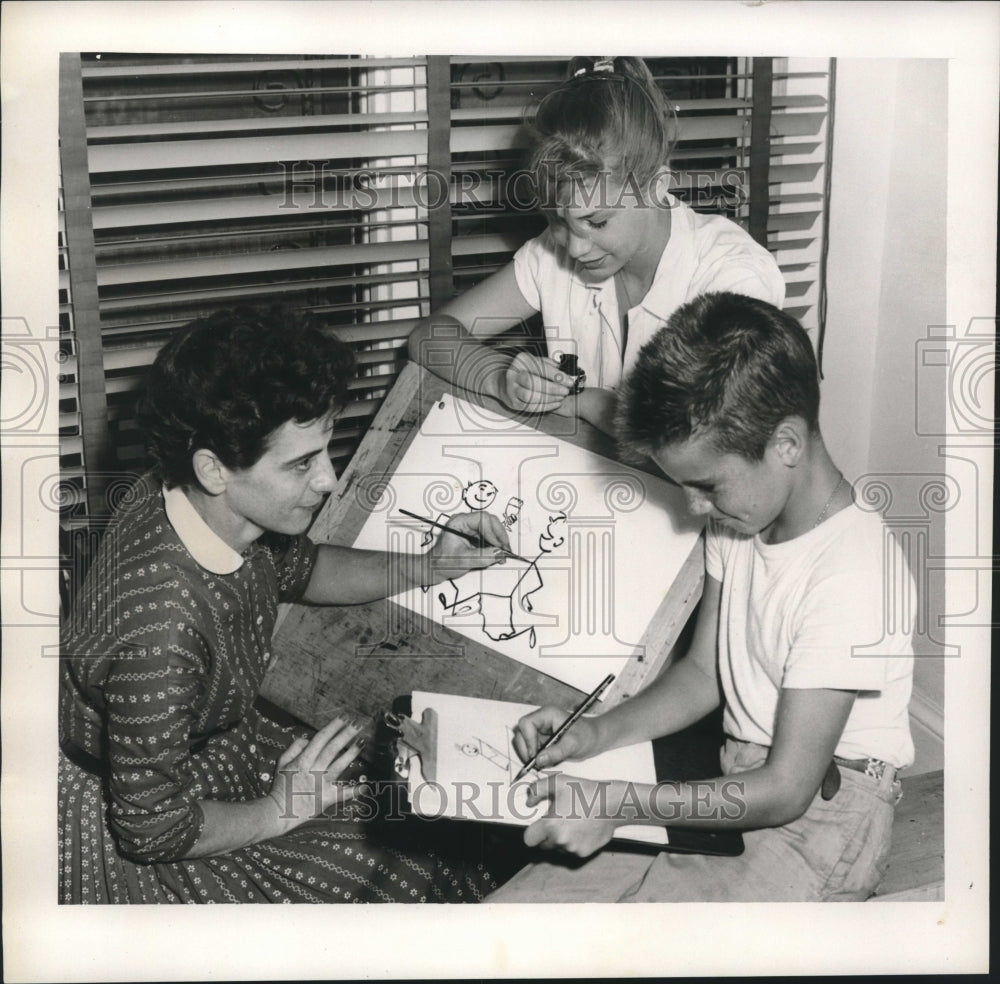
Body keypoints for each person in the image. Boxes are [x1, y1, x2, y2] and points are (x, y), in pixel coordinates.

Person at [58, 305, 513, 904]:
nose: (327, 479)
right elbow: (153, 828)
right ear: (214, 470)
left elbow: (304, 567)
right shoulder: (160, 635)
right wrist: (281, 807)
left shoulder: (194, 498)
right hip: (153, 813)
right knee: (399, 854)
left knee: (415, 802)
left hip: (205, 742)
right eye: (301, 463)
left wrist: (429, 564)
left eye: (323, 450)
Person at [487, 292, 915, 903]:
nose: (693, 506)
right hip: (735, 781)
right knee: (517, 917)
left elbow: (788, 788)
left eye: (707, 486)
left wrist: (622, 804)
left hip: (823, 812)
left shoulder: (854, 568)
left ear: (786, 445)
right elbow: (703, 674)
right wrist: (596, 736)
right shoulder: (740, 515)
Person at [408, 56, 785, 435]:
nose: (574, 248)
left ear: (656, 187)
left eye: (597, 221)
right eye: (557, 220)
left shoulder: (734, 274)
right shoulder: (556, 253)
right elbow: (428, 337)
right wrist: (499, 378)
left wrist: (584, 401)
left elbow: (708, 441)